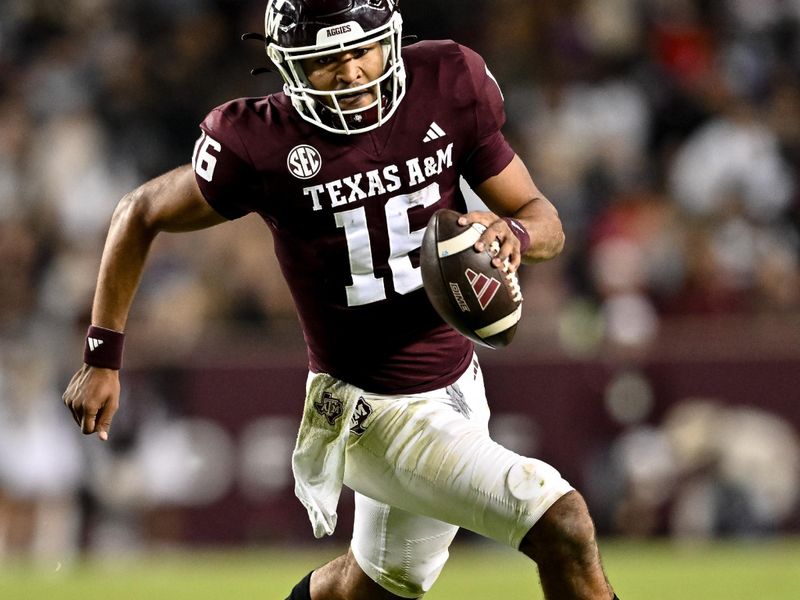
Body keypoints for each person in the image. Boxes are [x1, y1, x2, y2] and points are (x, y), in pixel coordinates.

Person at [63, 1, 619, 598]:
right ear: (289, 66)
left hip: (459, 382)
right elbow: (138, 211)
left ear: (391, 38)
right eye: (326, 59)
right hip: (366, 408)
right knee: (562, 523)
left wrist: (516, 233)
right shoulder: (260, 140)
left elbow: (544, 219)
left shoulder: (447, 84)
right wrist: (103, 356)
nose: (350, 72)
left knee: (371, 588)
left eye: (360, 50)